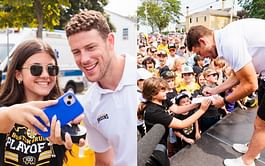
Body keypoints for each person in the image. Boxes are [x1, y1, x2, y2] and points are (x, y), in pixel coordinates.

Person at [186, 18, 265, 166]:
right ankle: (254, 147)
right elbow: (238, 74)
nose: (203, 57)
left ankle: (247, 160)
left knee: (262, 125)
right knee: (260, 119)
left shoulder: (229, 42)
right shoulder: (227, 37)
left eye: (199, 52)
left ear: (203, 41)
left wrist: (224, 101)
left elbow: (250, 85)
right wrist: (215, 90)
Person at [65, 10, 137, 165]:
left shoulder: (144, 75)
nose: (84, 59)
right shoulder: (89, 105)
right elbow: (104, 162)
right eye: (76, 52)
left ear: (110, 41)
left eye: (90, 47)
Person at [0, 39, 73, 165]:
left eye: (51, 69)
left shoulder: (60, 110)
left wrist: (75, 134)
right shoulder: (6, 109)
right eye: (36, 69)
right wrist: (10, 114)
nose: (45, 75)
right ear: (18, 75)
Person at [142, 77, 211, 165]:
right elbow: (182, 124)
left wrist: (197, 104)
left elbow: (177, 109)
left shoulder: (162, 100)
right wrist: (202, 110)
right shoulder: (153, 111)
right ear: (152, 93)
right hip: (155, 145)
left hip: (162, 138)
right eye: (163, 90)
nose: (167, 92)